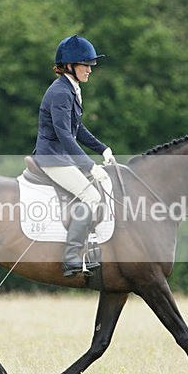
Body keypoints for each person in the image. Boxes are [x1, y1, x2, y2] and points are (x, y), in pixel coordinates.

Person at [33, 35, 117, 277]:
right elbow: (64, 135)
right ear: (70, 66)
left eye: (91, 65)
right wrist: (90, 165)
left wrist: (102, 148)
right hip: (52, 158)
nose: (90, 70)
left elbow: (77, 128)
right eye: (86, 65)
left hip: (62, 157)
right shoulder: (60, 92)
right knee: (91, 196)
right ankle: (71, 257)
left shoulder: (71, 89)